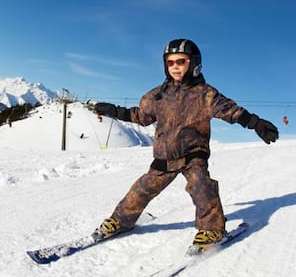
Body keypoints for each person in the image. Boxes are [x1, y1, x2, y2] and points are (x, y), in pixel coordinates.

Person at [91, 38, 279, 252]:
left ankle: (212, 229)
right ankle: (120, 221)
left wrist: (255, 123)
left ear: (194, 63)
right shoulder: (157, 95)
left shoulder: (205, 94)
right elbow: (140, 116)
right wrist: (115, 111)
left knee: (201, 186)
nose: (175, 67)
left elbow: (230, 110)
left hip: (193, 154)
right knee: (141, 189)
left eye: (180, 61)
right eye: (170, 62)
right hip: (164, 156)